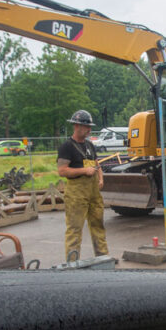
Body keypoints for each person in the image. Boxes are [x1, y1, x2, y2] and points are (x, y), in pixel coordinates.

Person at [56, 109, 108, 261]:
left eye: (90, 127)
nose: (89, 130)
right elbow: (62, 171)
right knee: (75, 228)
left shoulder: (90, 145)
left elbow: (97, 164)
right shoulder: (67, 147)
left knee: (98, 224)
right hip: (76, 193)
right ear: (77, 126)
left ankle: (103, 256)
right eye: (86, 127)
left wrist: (100, 179)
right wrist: (84, 170)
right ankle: (72, 262)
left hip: (93, 192)